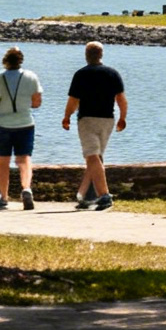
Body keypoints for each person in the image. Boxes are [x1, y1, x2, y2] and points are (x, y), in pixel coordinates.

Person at [60, 42, 128, 210]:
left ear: (86, 55)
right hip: (107, 120)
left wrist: (67, 116)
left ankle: (104, 195)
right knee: (96, 157)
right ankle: (85, 196)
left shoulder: (81, 75)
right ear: (101, 55)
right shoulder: (113, 74)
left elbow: (73, 100)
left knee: (92, 156)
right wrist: (122, 118)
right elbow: (121, 100)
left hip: (87, 120)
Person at [0, 47, 44, 210]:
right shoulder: (31, 77)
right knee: (24, 159)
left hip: (3, 124)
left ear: (5, 61)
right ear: (20, 60)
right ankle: (26, 188)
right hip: (26, 122)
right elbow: (37, 101)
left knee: (3, 161)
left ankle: (3, 196)